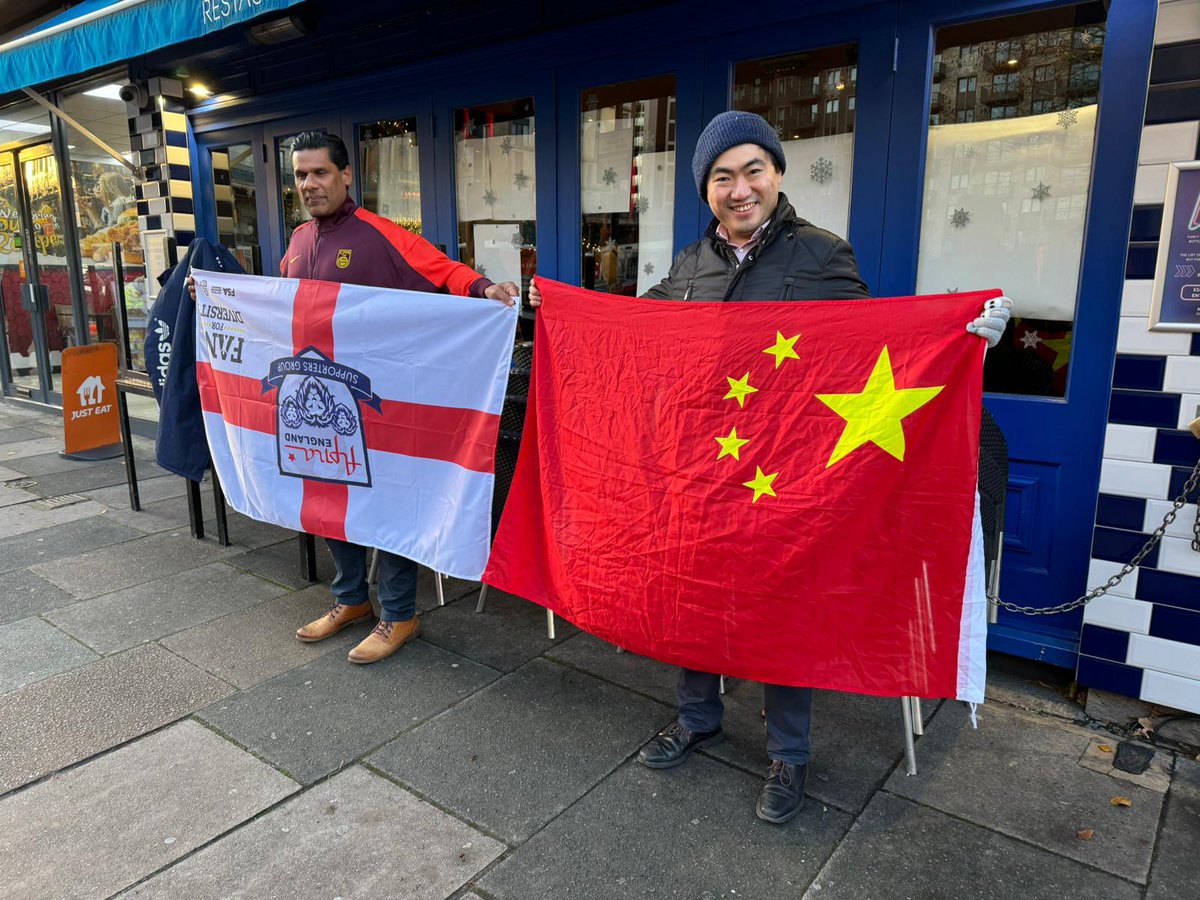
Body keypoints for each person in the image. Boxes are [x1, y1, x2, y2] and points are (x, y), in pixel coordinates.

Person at [529, 110, 1011, 824]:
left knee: (785, 604)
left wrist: (970, 335)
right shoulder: (690, 265)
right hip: (701, 469)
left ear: (777, 174)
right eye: (722, 177)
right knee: (692, 588)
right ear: (706, 189)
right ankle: (697, 718)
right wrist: (563, 310)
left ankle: (789, 754)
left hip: (787, 472)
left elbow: (874, 348)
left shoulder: (822, 254)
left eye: (753, 170)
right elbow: (638, 336)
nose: (740, 189)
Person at [191, 131, 518, 665]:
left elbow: (443, 272)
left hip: (375, 408)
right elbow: (277, 309)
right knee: (325, 496)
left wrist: (486, 290)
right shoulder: (298, 241)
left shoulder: (380, 234)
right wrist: (217, 298)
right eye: (301, 175)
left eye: (320, 172)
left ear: (346, 175)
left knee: (386, 504)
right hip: (316, 405)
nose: (309, 184)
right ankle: (350, 600)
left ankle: (400, 614)